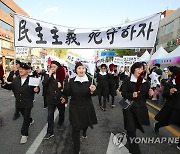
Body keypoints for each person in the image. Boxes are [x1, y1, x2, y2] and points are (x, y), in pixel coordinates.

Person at [0, 63, 40, 144]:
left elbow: (37, 88)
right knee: (25, 115)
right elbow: (10, 87)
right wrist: (3, 84)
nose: (21, 71)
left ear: (28, 71)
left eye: (23, 69)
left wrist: (37, 90)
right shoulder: (16, 79)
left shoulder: (32, 79)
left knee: (25, 119)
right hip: (19, 102)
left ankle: (24, 134)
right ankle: (30, 120)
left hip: (28, 102)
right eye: (20, 69)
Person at [64, 62, 97, 154]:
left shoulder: (90, 80)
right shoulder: (72, 80)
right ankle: (76, 149)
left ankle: (85, 131)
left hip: (87, 107)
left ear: (85, 70)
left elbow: (95, 93)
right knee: (75, 128)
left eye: (83, 68)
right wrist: (65, 85)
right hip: (75, 107)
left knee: (85, 124)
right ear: (76, 70)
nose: (81, 70)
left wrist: (93, 91)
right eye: (79, 68)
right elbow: (68, 93)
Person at [121, 62, 154, 154]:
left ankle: (130, 138)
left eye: (142, 69)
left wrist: (150, 95)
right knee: (131, 128)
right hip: (129, 107)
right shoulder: (127, 81)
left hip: (140, 108)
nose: (140, 70)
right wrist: (132, 95)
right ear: (133, 70)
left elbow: (147, 97)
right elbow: (123, 93)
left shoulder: (146, 82)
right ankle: (134, 150)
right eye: (138, 69)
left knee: (134, 127)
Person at [154, 66, 180, 150]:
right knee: (167, 122)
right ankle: (157, 125)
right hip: (171, 106)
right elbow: (164, 94)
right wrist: (170, 92)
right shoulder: (169, 83)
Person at [43, 61, 66, 140]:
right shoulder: (48, 76)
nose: (52, 68)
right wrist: (49, 74)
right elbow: (44, 84)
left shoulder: (63, 76)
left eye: (54, 67)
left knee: (61, 112)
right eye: (51, 66)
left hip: (60, 99)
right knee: (50, 116)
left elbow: (66, 89)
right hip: (51, 99)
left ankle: (60, 123)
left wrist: (64, 97)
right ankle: (50, 132)